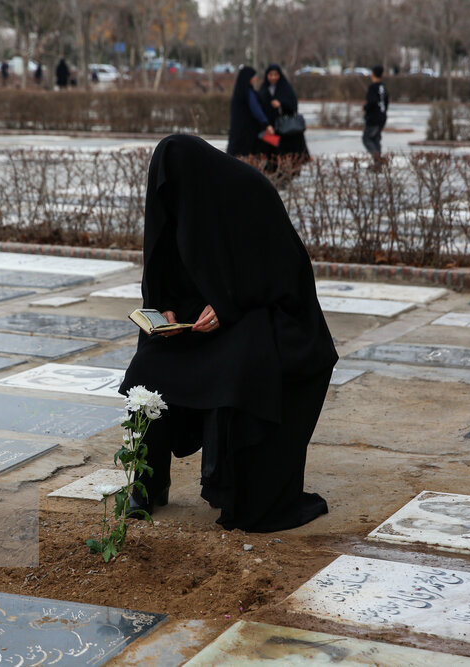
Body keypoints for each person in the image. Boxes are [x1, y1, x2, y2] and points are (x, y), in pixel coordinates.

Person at [120, 134, 338, 533]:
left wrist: (227, 308)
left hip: (266, 314)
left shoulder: (247, 191)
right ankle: (149, 481)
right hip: (201, 319)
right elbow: (161, 262)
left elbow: (286, 274)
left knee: (238, 367)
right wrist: (165, 306)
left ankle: (232, 485)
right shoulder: (176, 199)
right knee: (146, 365)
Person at [257, 64, 310, 175]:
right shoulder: (264, 89)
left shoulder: (286, 88)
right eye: (270, 74)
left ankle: (288, 175)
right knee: (271, 152)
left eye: (276, 74)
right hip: (270, 128)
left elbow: (293, 105)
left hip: (286, 130)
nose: (273, 77)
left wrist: (281, 104)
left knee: (287, 152)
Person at [226, 66, 274, 158]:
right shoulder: (248, 93)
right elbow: (256, 110)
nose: (255, 79)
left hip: (238, 133)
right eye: (253, 76)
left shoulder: (239, 93)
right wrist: (266, 124)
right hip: (249, 134)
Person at [363, 65, 388, 171]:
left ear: (373, 74)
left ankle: (377, 159)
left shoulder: (373, 87)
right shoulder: (383, 87)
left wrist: (366, 108)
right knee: (376, 138)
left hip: (373, 117)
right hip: (382, 116)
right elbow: (386, 101)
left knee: (367, 138)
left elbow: (371, 102)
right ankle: (378, 164)